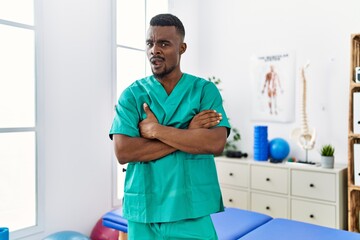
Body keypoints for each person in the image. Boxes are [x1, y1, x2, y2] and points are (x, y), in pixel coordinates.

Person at [109, 13, 230, 240]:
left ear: (182, 48)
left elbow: (215, 143)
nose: (154, 50)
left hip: (191, 211)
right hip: (144, 210)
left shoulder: (204, 91)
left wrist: (157, 131)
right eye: (150, 43)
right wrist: (190, 135)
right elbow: (125, 152)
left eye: (163, 43)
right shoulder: (132, 95)